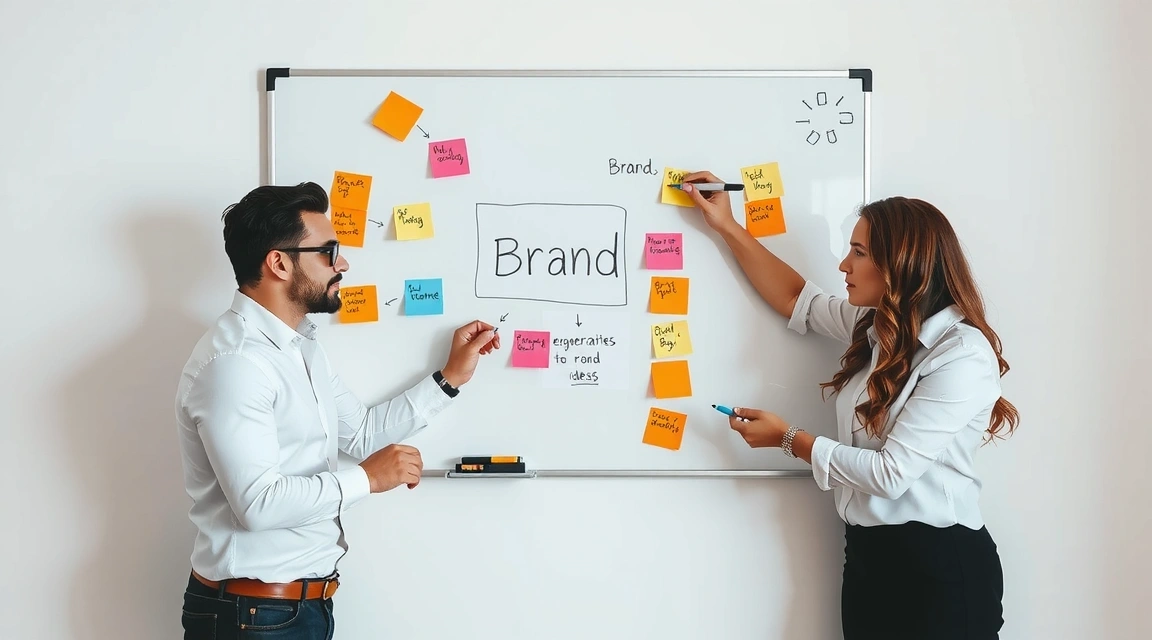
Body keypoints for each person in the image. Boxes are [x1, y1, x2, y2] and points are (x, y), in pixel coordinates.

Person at [680, 171, 1017, 639]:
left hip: (939, 568)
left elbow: (890, 473)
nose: (843, 265)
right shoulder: (878, 325)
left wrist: (789, 439)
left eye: (858, 252)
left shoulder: (961, 354)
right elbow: (797, 299)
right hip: (867, 560)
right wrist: (726, 225)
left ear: (901, 263)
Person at [173, 182, 500, 639]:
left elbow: (361, 433)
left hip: (296, 609)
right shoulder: (235, 364)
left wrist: (450, 378)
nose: (342, 264)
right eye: (329, 252)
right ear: (279, 263)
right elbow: (259, 504)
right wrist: (367, 479)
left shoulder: (301, 347)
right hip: (253, 614)